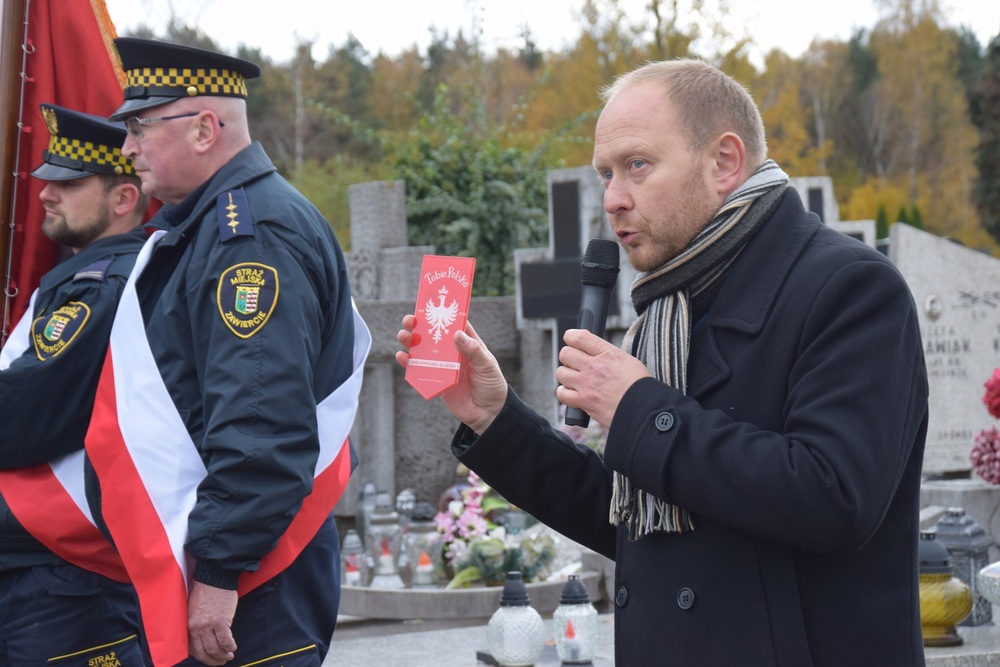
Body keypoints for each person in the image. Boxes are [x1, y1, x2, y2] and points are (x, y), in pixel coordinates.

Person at [396, 58, 929, 666]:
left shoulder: (850, 288)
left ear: (724, 162)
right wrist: (497, 419)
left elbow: (835, 498)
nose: (614, 200)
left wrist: (639, 408)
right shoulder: (668, 312)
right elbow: (644, 527)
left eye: (637, 166)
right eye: (605, 174)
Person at [85, 37, 367, 667]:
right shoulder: (210, 226)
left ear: (206, 129)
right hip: (236, 556)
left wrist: (217, 570)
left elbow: (260, 418)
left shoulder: (251, 236)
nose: (126, 147)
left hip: (254, 576)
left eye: (140, 126)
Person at [0, 104, 149, 665]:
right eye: (46, 180)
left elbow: (21, 417)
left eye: (69, 182)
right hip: (47, 565)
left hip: (65, 576)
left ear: (123, 199)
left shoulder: (103, 289)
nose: (45, 193)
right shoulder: (85, 280)